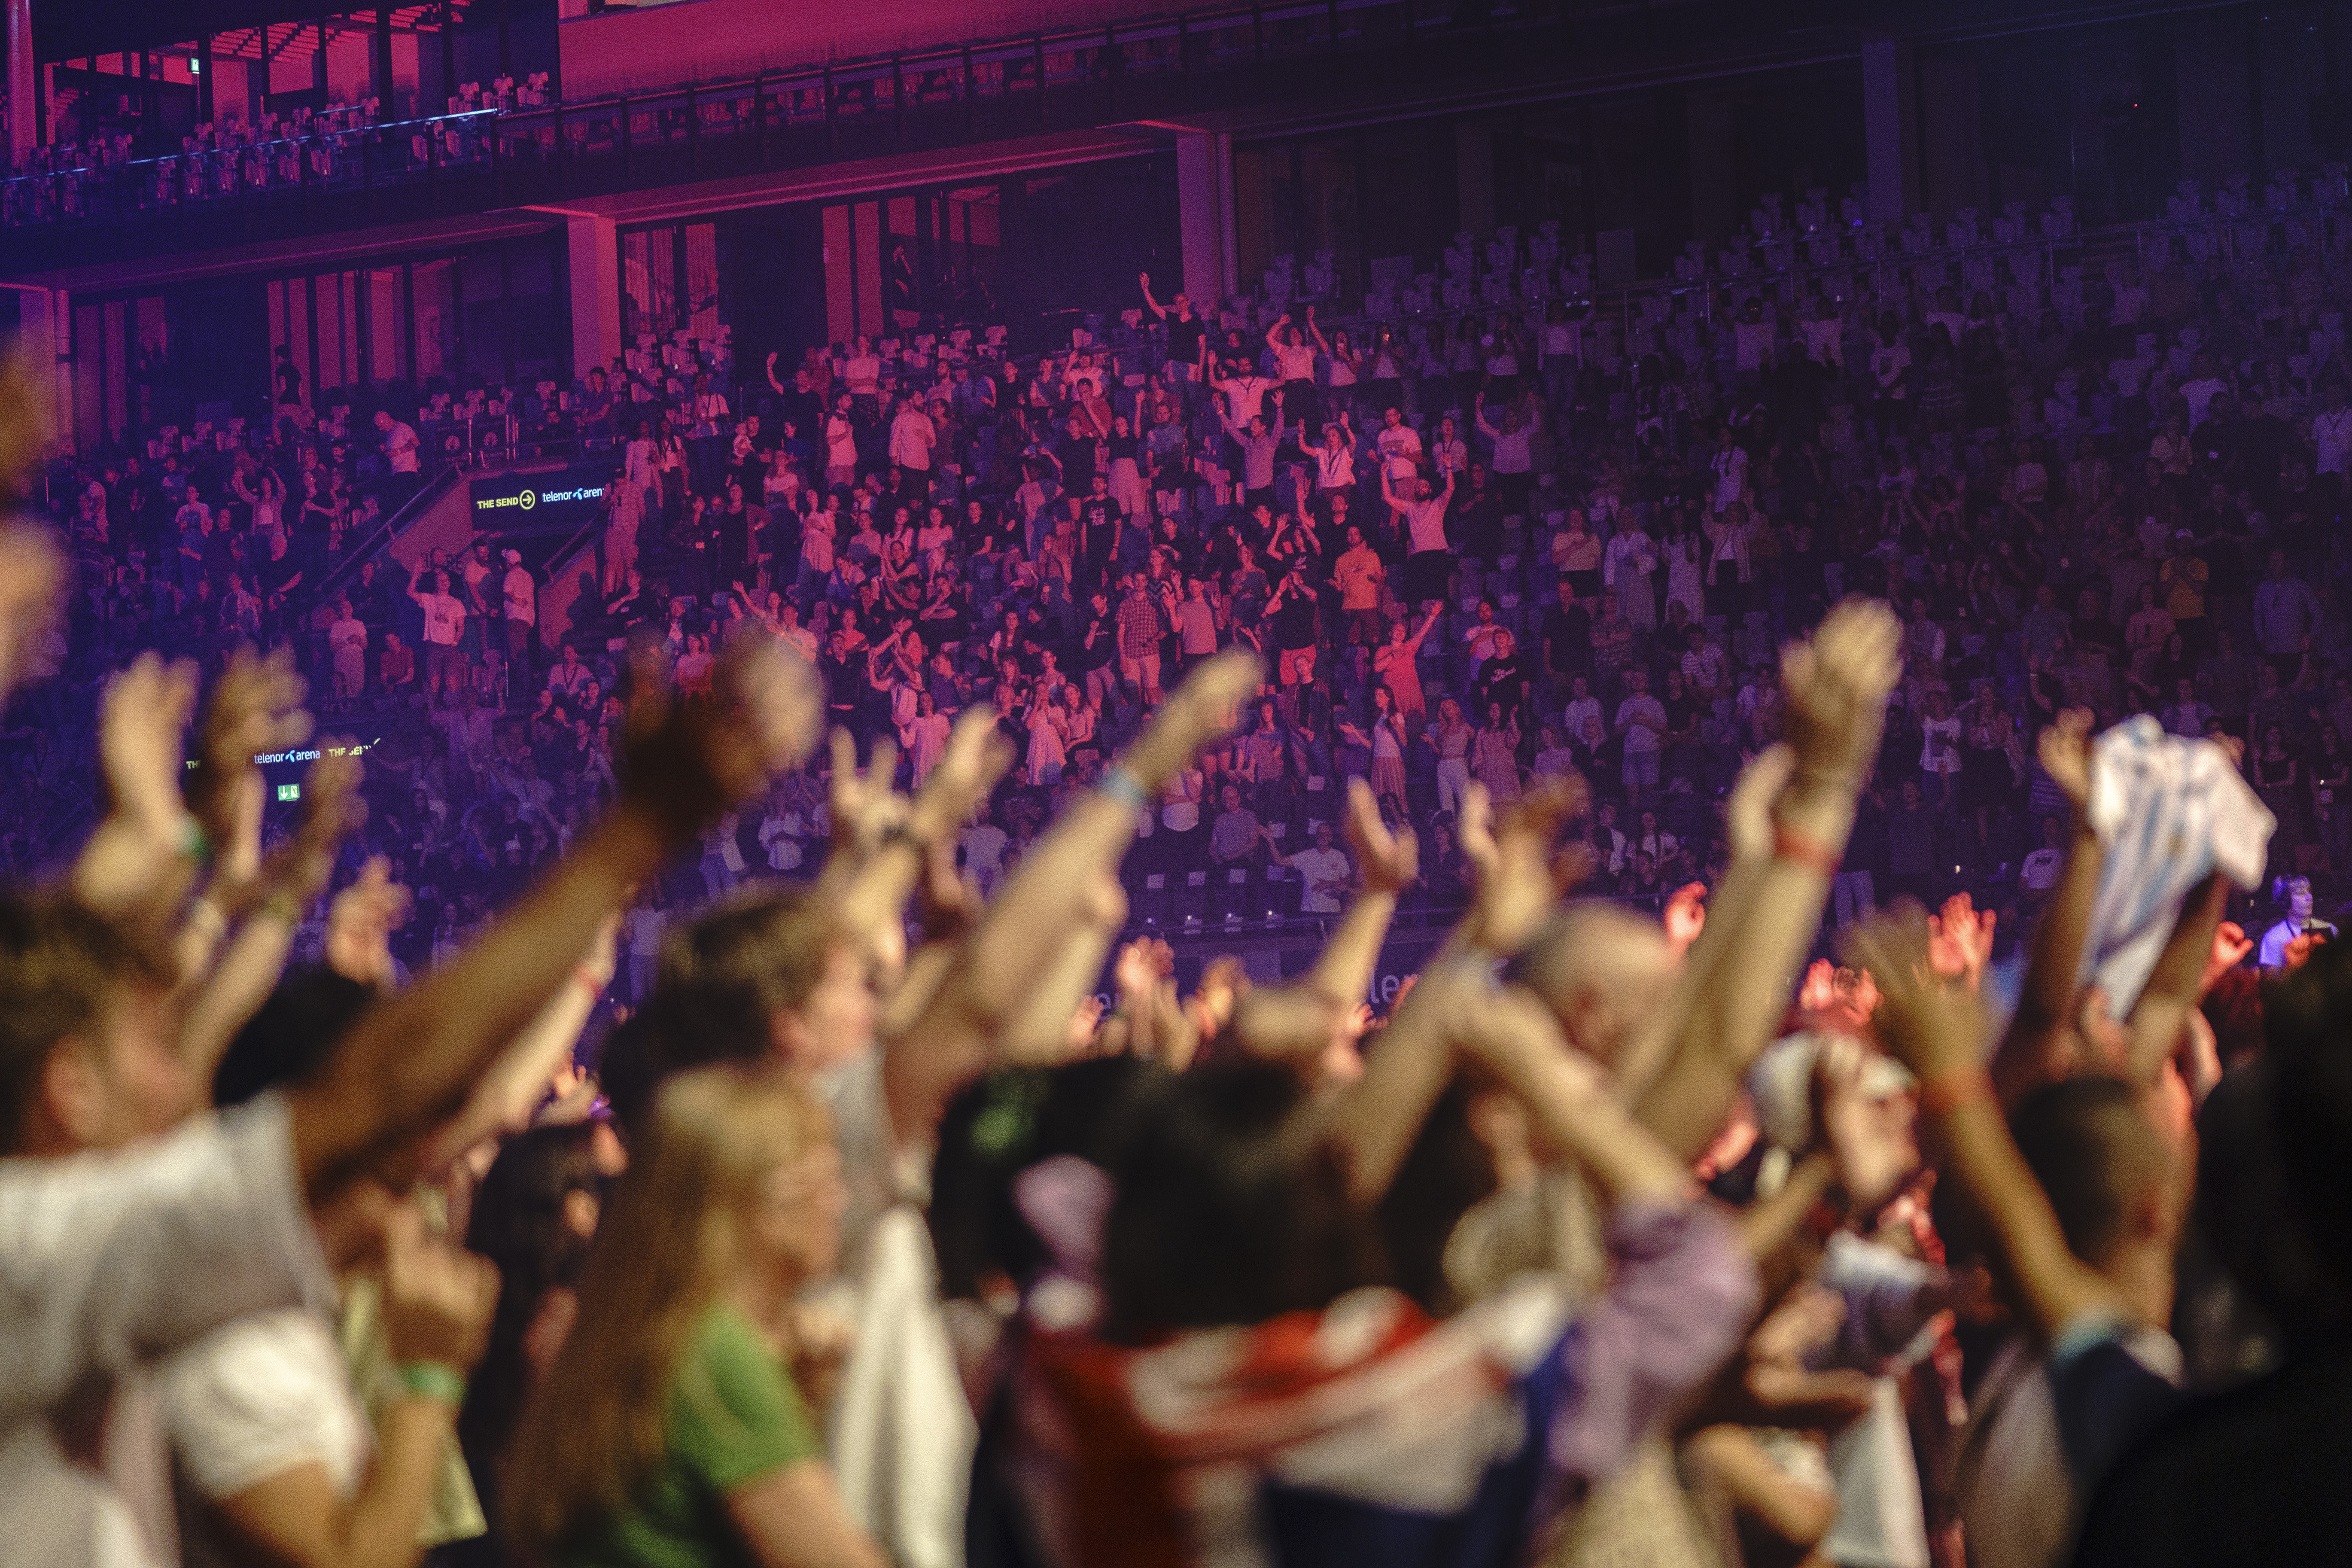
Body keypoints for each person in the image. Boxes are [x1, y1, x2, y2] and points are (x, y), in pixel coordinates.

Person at [505, 1066, 885, 1568]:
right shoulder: (717, 1355)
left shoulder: (649, 1329)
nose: (840, 1201)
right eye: (824, 1177)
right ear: (761, 1200)